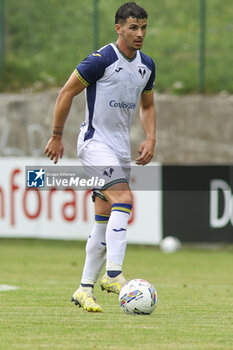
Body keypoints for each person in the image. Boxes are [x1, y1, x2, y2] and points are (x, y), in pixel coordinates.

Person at [44, 1, 156, 312]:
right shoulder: (101, 59)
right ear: (118, 28)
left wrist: (151, 136)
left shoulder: (147, 65)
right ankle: (114, 275)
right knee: (125, 199)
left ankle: (84, 288)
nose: (140, 33)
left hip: (120, 150)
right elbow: (66, 92)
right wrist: (56, 135)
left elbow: (147, 106)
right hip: (94, 144)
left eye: (144, 27)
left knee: (103, 218)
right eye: (133, 27)